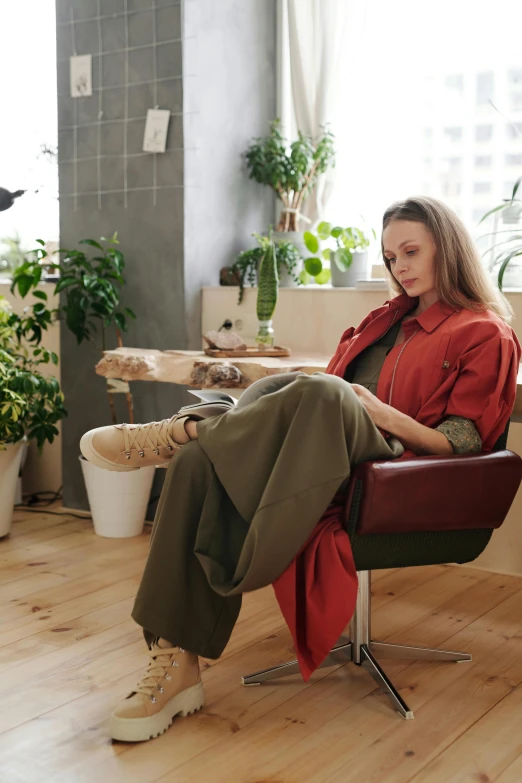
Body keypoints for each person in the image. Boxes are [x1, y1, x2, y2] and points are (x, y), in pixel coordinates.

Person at [80, 196, 521, 743]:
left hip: (395, 470)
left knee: (321, 391)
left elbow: (461, 441)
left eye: (411, 252)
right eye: (389, 258)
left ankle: (188, 427)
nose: (399, 268)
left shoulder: (484, 332)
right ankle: (176, 666)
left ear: (447, 250)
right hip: (325, 456)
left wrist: (382, 414)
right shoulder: (382, 320)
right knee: (199, 464)